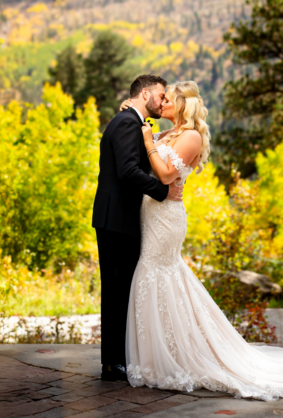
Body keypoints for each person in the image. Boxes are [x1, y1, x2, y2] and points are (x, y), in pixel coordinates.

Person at [124, 80, 283, 398]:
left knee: (154, 272)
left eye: (169, 98)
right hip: (150, 214)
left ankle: (173, 355)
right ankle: (165, 349)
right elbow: (144, 160)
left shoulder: (191, 136)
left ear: (183, 105)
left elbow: (167, 174)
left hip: (167, 219)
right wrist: (135, 117)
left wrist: (147, 141)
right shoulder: (165, 133)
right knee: (160, 277)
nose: (163, 101)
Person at [93, 74, 184, 382]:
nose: (163, 101)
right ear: (145, 94)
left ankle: (117, 360)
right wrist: (162, 192)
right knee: (118, 291)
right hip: (117, 219)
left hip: (118, 218)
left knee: (120, 291)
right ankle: (113, 363)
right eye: (160, 95)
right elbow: (129, 170)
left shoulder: (131, 122)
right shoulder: (128, 123)